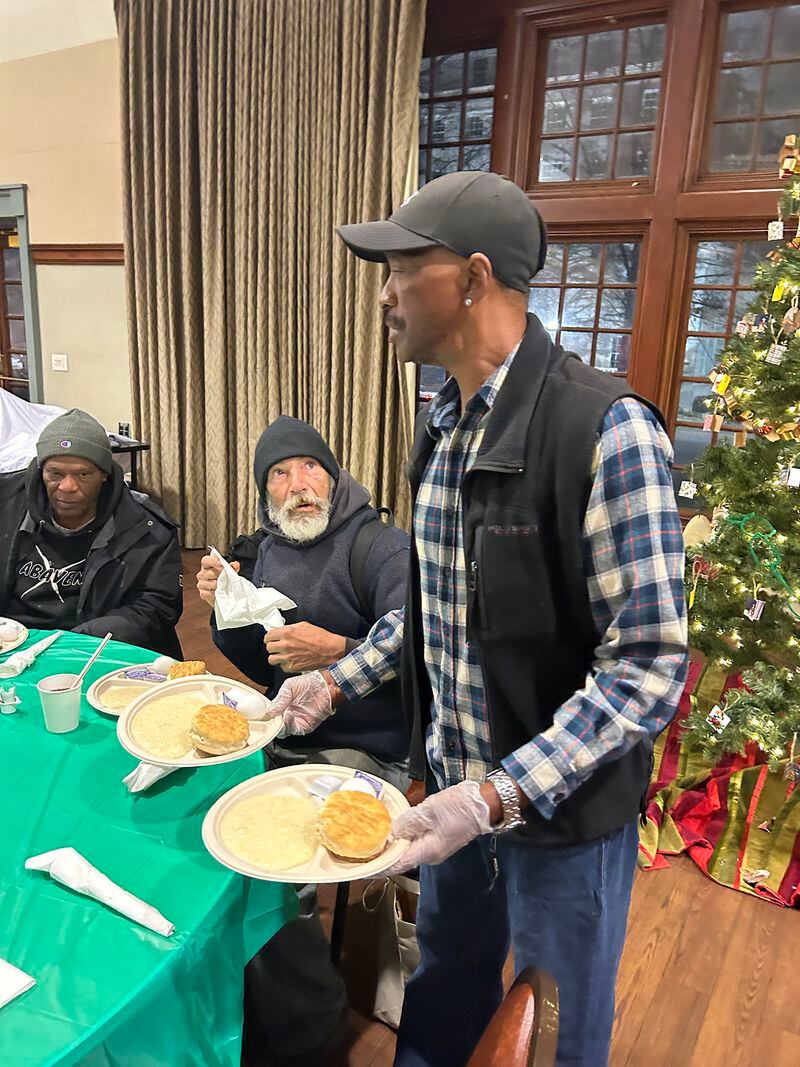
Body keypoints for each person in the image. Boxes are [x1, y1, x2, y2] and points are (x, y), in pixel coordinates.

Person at [267, 172, 689, 1067]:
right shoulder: (444, 427)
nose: (383, 294)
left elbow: (647, 666)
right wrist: (331, 682)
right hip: (452, 804)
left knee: (551, 1030)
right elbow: (430, 615)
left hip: (557, 819)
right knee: (444, 993)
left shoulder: (604, 430)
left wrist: (500, 793)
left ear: (472, 279)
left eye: (401, 267)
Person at [196, 414, 410, 1066]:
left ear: (335, 473)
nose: (298, 485)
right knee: (207, 824)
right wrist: (224, 609)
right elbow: (268, 663)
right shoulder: (272, 547)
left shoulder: (378, 545)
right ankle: (241, 997)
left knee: (278, 858)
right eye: (279, 474)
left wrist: (340, 648)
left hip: (370, 745)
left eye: (309, 466)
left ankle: (307, 1024)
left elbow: (420, 640)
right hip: (288, 727)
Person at [0, 408, 182, 657]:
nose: (67, 486)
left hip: (95, 649)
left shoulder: (147, 528)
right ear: (41, 470)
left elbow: (156, 607)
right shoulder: (6, 502)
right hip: (10, 642)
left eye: (83, 474)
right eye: (55, 474)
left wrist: (73, 642)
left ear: (104, 474)